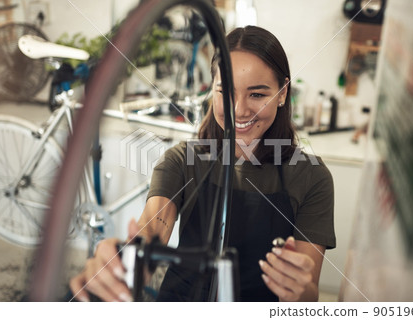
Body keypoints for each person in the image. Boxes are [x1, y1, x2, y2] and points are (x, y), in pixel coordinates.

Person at [70, 25, 335, 302]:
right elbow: (153, 229)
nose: (239, 110)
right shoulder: (182, 161)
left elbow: (307, 292)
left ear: (282, 93)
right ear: (212, 91)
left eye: (257, 94)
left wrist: (299, 291)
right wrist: (126, 264)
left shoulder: (311, 178)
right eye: (226, 92)